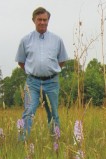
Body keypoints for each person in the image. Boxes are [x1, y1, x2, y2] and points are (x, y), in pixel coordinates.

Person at [15, 7, 68, 139]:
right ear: (34, 20)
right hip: (32, 83)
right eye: (39, 20)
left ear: (48, 21)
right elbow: (21, 62)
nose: (43, 22)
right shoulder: (25, 40)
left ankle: (55, 142)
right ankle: (23, 142)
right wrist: (33, 71)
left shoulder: (57, 40)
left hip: (52, 82)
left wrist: (49, 71)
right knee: (28, 111)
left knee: (53, 113)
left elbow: (61, 61)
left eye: (45, 20)